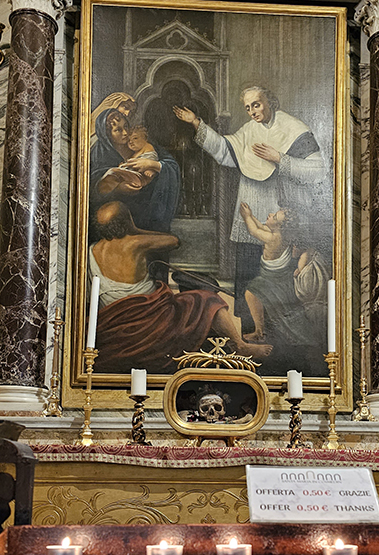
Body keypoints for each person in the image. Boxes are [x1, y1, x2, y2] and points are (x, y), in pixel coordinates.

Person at [173, 86, 327, 331]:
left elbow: (318, 171)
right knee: (247, 278)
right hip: (249, 214)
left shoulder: (293, 129)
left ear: (270, 101)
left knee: (277, 284)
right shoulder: (249, 130)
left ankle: (278, 334)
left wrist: (280, 158)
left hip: (279, 217)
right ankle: (247, 331)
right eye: (248, 107)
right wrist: (196, 124)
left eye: (257, 104)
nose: (252, 111)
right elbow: (224, 151)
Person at [90, 202, 271, 374]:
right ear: (126, 222)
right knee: (207, 299)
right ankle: (239, 345)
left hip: (115, 322)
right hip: (153, 317)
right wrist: (135, 230)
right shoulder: (135, 242)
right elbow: (173, 241)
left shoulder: (92, 251)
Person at [237, 202, 323, 374]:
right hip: (277, 276)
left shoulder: (274, 238)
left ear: (281, 227)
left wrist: (246, 217)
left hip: (271, 278)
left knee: (251, 292)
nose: (270, 215)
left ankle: (259, 331)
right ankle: (259, 331)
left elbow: (254, 231)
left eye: (274, 217)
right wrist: (252, 215)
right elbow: (261, 225)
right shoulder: (277, 233)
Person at [89, 109, 179, 234]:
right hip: (119, 216)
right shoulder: (98, 154)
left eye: (126, 126)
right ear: (107, 134)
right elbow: (90, 190)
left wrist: (153, 164)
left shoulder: (141, 142)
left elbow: (172, 165)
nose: (125, 133)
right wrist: (118, 189)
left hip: (147, 207)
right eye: (118, 130)